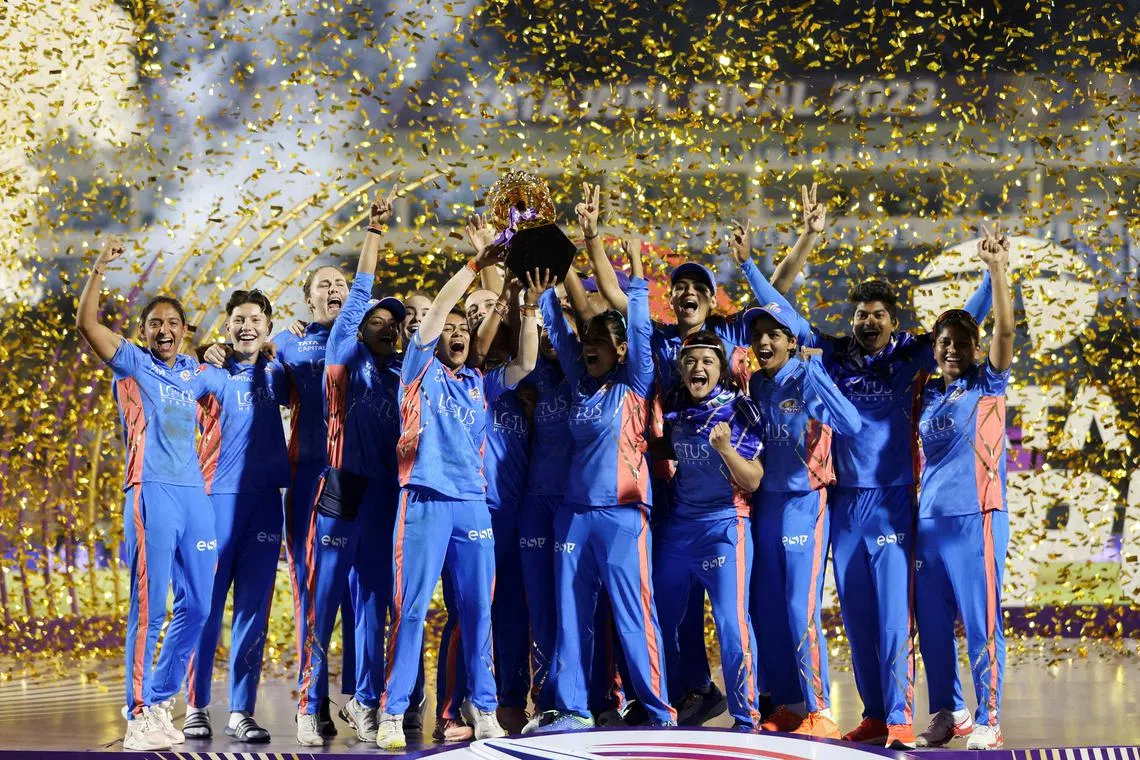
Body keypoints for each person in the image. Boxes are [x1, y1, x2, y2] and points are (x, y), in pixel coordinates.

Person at [734, 213, 993, 749]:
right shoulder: (833, 352)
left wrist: (992, 276)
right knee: (857, 616)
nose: (868, 321)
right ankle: (875, 714)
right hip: (844, 504)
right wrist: (747, 266)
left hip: (895, 502)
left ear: (892, 322)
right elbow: (786, 317)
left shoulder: (910, 356)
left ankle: (899, 715)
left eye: (877, 314)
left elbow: (962, 326)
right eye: (860, 314)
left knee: (895, 617)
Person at [583, 182, 826, 723]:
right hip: (667, 480)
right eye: (681, 285)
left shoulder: (730, 330)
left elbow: (774, 298)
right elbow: (620, 298)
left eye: (699, 284)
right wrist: (595, 240)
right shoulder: (664, 336)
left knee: (741, 604)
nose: (688, 291)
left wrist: (806, 237)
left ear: (712, 298)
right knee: (670, 604)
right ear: (673, 297)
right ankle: (684, 692)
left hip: (729, 487)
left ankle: (761, 702)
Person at [376, 241, 539, 750]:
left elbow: (527, 362)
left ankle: (484, 708)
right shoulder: (417, 373)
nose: (457, 334)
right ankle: (392, 711)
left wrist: (529, 309)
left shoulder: (479, 383)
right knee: (412, 609)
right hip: (423, 498)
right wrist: (475, 265)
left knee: (477, 611)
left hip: (472, 502)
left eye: (464, 331)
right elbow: (444, 308)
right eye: (448, 330)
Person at [76, 238, 227, 751]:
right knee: (151, 609)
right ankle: (138, 712)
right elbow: (88, 326)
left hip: (196, 498)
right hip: (152, 493)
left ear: (186, 332)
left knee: (202, 607)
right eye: (155, 323)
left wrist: (258, 345)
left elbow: (237, 375)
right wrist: (99, 268)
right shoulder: (133, 365)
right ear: (143, 332)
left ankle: (159, 698)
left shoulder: (195, 372)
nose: (165, 330)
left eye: (174, 324)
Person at [535, 236, 675, 732]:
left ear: (619, 350)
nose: (588, 348)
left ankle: (658, 711)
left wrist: (637, 279)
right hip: (574, 516)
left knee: (635, 617)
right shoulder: (580, 383)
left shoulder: (634, 383)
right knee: (572, 618)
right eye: (586, 341)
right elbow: (558, 332)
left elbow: (639, 330)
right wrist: (545, 290)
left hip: (623, 517)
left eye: (600, 342)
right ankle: (572, 710)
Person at [728, 227, 861, 738]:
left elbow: (850, 425)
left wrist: (817, 377)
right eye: (758, 334)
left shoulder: (806, 375)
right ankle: (786, 702)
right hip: (765, 506)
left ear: (791, 340)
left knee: (797, 608)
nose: (764, 341)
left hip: (806, 502)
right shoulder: (756, 383)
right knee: (765, 607)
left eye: (773, 334)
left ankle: (820, 708)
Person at [293, 191, 405, 745]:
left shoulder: (399, 374)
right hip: (341, 486)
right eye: (376, 319)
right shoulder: (341, 356)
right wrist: (374, 236)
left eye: (394, 322)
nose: (384, 326)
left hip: (386, 493)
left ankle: (365, 702)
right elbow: (358, 299)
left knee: (374, 605)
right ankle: (309, 705)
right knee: (325, 598)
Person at [913, 224, 1013, 751]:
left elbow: (1005, 334)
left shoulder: (988, 383)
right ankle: (951, 713)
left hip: (978, 519)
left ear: (975, 347)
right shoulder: (928, 395)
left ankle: (989, 716)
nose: (952, 350)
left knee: (980, 624)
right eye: (944, 343)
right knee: (932, 628)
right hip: (930, 526)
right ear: (935, 349)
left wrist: (996, 272)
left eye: (961, 343)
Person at [183, 289, 289, 743]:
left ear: (267, 326)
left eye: (255, 320)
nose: (247, 326)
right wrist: (195, 348)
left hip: (265, 505)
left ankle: (241, 711)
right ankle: (194, 706)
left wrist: (287, 341)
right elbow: (171, 376)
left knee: (252, 613)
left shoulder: (280, 373)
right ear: (226, 327)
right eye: (238, 320)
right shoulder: (211, 371)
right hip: (215, 504)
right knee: (204, 609)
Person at [653, 332, 766, 731]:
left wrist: (726, 450)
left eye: (707, 361)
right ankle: (662, 709)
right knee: (657, 620)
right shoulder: (676, 409)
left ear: (721, 370)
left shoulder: (739, 410)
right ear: (681, 367)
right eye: (691, 360)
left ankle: (745, 717)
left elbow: (753, 481)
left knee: (731, 623)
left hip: (726, 526)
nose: (698, 368)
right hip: (680, 529)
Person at [270, 262, 357, 735]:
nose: (333, 289)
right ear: (308, 300)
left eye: (341, 284)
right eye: (323, 285)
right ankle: (312, 702)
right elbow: (261, 373)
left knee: (361, 593)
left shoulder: (366, 339)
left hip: (355, 480)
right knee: (311, 593)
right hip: (308, 480)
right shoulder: (288, 342)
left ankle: (364, 701)